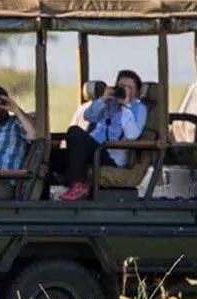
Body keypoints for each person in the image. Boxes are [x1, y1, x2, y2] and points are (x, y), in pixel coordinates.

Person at [54, 69, 147, 201]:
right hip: (94, 149)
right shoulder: (109, 103)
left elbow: (132, 135)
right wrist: (103, 99)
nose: (124, 90)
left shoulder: (139, 108)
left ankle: (78, 185)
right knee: (52, 156)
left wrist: (126, 106)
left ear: (137, 92)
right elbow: (88, 116)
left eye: (129, 88)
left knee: (75, 131)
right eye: (121, 87)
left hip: (110, 155)